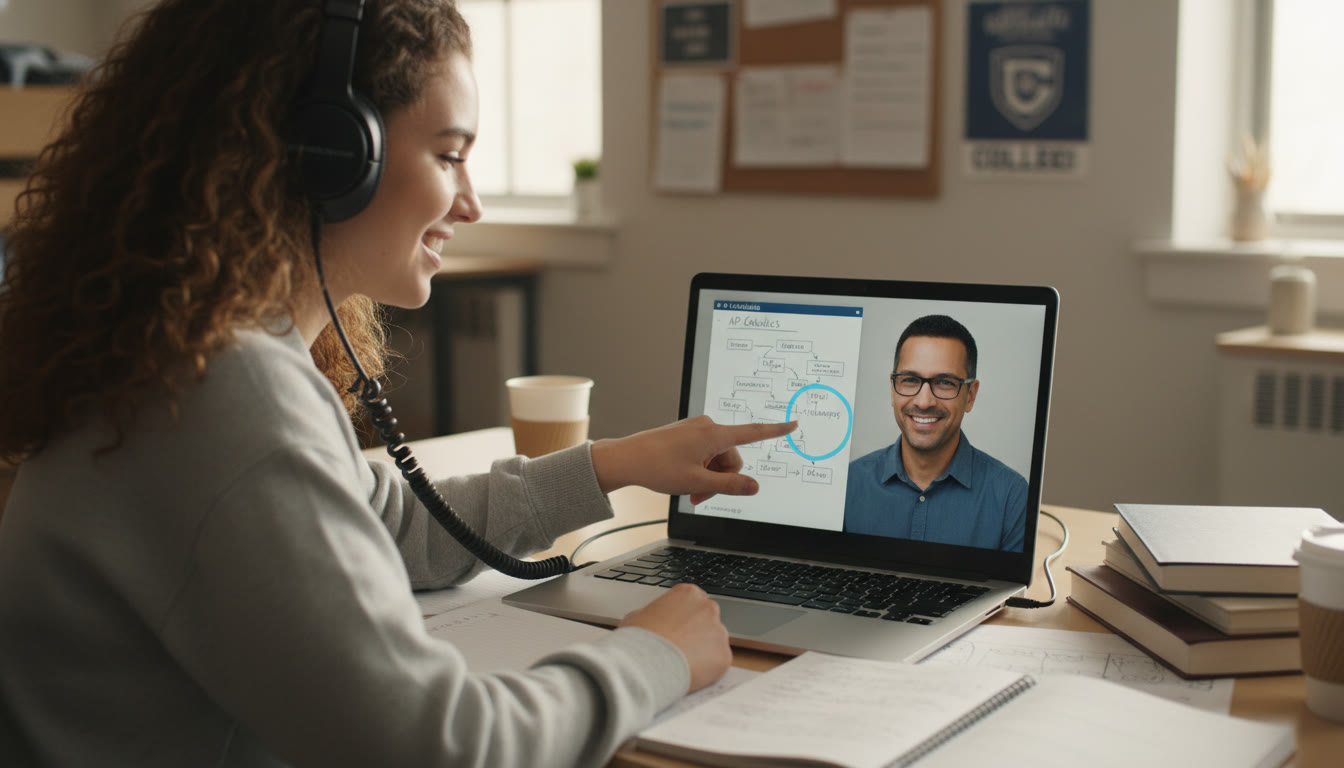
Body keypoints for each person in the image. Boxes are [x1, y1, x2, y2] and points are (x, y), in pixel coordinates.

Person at [0, 2, 796, 766]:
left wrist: (613, 464)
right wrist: (651, 657)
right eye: (450, 155)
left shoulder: (188, 356)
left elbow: (395, 528)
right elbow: (441, 747)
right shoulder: (220, 397)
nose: (472, 202)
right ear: (330, 153)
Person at [843, 315, 1026, 551]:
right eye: (910, 380)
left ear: (970, 395)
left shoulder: (1011, 497)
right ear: (892, 388)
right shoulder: (849, 485)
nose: (924, 401)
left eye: (944, 383)